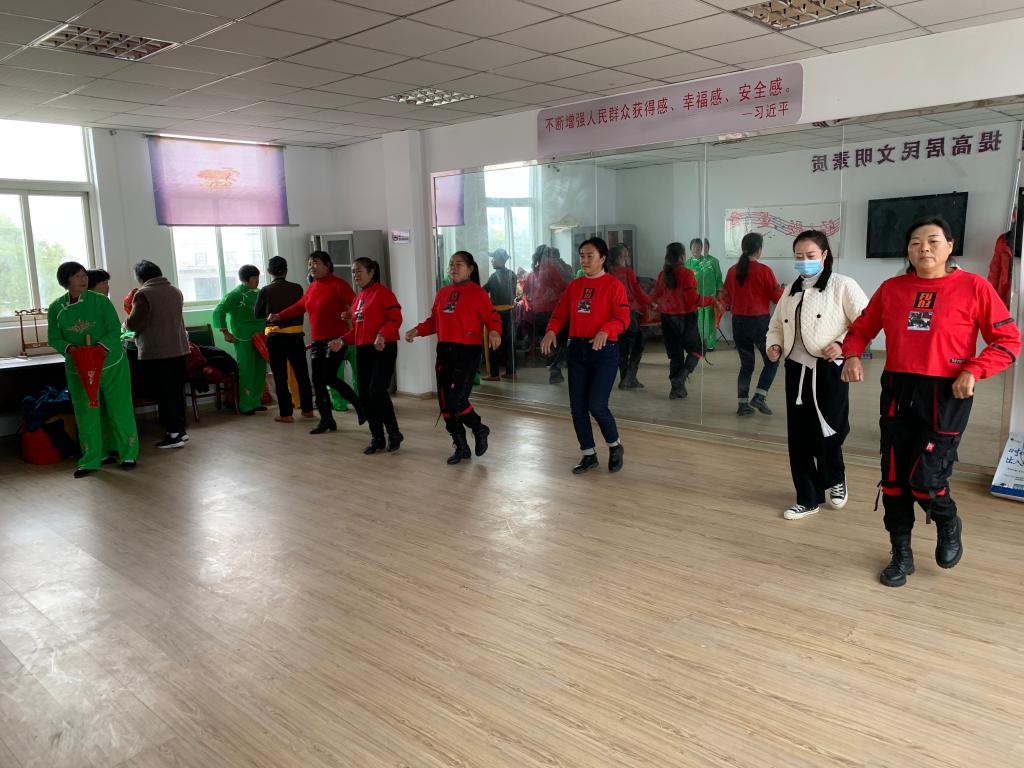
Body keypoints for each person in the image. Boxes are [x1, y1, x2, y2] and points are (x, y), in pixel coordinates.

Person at [841, 217, 1021, 588]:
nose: (923, 248)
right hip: (898, 389)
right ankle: (901, 553)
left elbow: (1008, 341)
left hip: (947, 392)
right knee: (894, 478)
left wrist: (974, 369)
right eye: (915, 242)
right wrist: (853, 355)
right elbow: (860, 330)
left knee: (925, 478)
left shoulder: (974, 287)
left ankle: (947, 520)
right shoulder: (892, 289)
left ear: (950, 246)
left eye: (933, 240)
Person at [766, 230, 868, 520]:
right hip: (796, 368)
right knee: (798, 437)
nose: (804, 261)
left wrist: (842, 344)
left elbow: (867, 320)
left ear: (824, 255)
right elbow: (776, 325)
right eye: (799, 256)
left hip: (828, 368)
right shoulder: (790, 290)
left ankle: (835, 475)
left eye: (810, 255)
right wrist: (774, 344)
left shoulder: (842, 285)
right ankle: (807, 498)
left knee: (831, 428)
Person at [541, 237, 630, 475]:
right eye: (582, 256)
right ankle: (589, 454)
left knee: (597, 405)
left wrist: (606, 330)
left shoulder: (613, 286)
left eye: (590, 256)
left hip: (604, 351)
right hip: (578, 351)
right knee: (578, 407)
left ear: (603, 258)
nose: (585, 260)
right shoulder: (575, 286)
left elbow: (623, 319)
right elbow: (559, 313)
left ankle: (615, 445)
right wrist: (551, 330)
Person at [406, 251, 501, 464]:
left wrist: (495, 332)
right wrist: (417, 330)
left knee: (456, 400)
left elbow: (492, 317)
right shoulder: (443, 293)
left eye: (459, 264)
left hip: (467, 351)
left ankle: (479, 428)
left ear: (470, 269)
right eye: (451, 264)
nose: (453, 268)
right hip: (444, 350)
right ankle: (461, 445)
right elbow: (434, 321)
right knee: (445, 403)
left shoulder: (478, 293)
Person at [48, 262, 139, 477]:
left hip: (110, 363)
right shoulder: (56, 308)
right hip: (78, 366)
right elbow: (54, 338)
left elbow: (114, 330)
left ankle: (128, 453)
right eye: (77, 276)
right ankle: (91, 458)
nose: (83, 279)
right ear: (65, 281)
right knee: (86, 411)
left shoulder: (100, 301)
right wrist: (72, 349)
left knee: (119, 408)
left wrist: (98, 349)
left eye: (84, 275)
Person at [268, 251, 365, 434]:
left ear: (327, 265)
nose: (311, 267)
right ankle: (327, 421)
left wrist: (350, 314)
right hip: (318, 341)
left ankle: (360, 406)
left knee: (328, 377)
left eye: (316, 263)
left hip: (337, 340)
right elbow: (299, 306)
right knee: (318, 382)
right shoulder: (312, 287)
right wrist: (279, 316)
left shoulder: (338, 284)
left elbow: (357, 304)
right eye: (309, 263)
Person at [125, 260, 190, 448]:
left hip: (157, 351)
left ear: (140, 277)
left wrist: (126, 324)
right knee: (176, 392)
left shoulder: (144, 294)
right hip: (179, 349)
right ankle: (180, 431)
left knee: (163, 394)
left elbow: (134, 323)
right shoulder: (175, 291)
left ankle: (173, 435)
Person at [721, 232, 783, 416]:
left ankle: (742, 405)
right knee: (772, 361)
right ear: (759, 249)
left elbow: (726, 297)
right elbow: (776, 298)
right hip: (760, 324)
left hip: (738, 323)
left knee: (746, 365)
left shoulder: (732, 270)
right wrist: (783, 291)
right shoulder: (764, 270)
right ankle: (760, 396)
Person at [346, 257, 403, 454]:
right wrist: (341, 340)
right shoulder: (357, 299)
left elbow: (395, 319)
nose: (355, 275)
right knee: (364, 394)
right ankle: (377, 437)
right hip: (363, 350)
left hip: (383, 347)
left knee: (376, 390)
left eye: (359, 271)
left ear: (371, 272)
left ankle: (394, 433)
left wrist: (382, 334)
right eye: (353, 271)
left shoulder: (383, 293)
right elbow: (356, 331)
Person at [255, 256, 314, 423]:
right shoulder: (297, 288)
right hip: (296, 336)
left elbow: (258, 314)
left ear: (269, 271)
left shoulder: (265, 290)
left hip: (275, 338)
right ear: (286, 271)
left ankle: (286, 414)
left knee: (280, 376)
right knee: (302, 373)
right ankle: (308, 410)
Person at [212, 265, 267, 416]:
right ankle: (245, 404)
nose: (257, 280)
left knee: (260, 368)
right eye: (254, 278)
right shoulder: (235, 295)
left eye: (258, 277)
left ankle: (256, 401)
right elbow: (219, 311)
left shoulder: (259, 293)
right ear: (245, 279)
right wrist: (225, 332)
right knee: (247, 369)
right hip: (243, 337)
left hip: (261, 336)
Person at [649, 242, 700, 399]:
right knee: (697, 350)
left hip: (667, 319)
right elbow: (692, 299)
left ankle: (676, 389)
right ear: (682, 256)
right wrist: (711, 300)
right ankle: (681, 377)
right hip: (686, 318)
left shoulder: (662, 275)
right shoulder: (687, 273)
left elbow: (654, 296)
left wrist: (652, 306)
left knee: (675, 355)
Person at [522, 245, 568, 383]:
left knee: (549, 342)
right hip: (552, 311)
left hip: (538, 313)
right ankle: (555, 368)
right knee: (563, 339)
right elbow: (565, 287)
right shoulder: (551, 270)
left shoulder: (532, 273)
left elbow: (526, 291)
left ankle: (554, 370)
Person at [609, 243, 650, 389]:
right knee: (639, 343)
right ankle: (630, 377)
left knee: (622, 346)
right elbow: (638, 292)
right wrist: (651, 302)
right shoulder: (628, 272)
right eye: (625, 255)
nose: (627, 258)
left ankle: (625, 378)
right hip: (628, 313)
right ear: (619, 258)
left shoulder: (608, 273)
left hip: (614, 315)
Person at [483, 248, 517, 380]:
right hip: (510, 312)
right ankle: (511, 371)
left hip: (497, 314)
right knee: (509, 343)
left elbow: (483, 291)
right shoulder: (512, 274)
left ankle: (494, 374)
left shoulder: (494, 276)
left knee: (494, 342)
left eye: (494, 258)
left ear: (501, 260)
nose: (492, 261)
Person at [686, 238, 724, 351]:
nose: (696, 249)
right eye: (694, 246)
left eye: (699, 246)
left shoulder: (711, 261)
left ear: (702, 248)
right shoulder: (687, 263)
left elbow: (719, 278)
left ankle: (710, 344)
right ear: (690, 248)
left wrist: (719, 294)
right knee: (695, 322)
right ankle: (698, 343)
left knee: (709, 321)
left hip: (709, 297)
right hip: (693, 299)